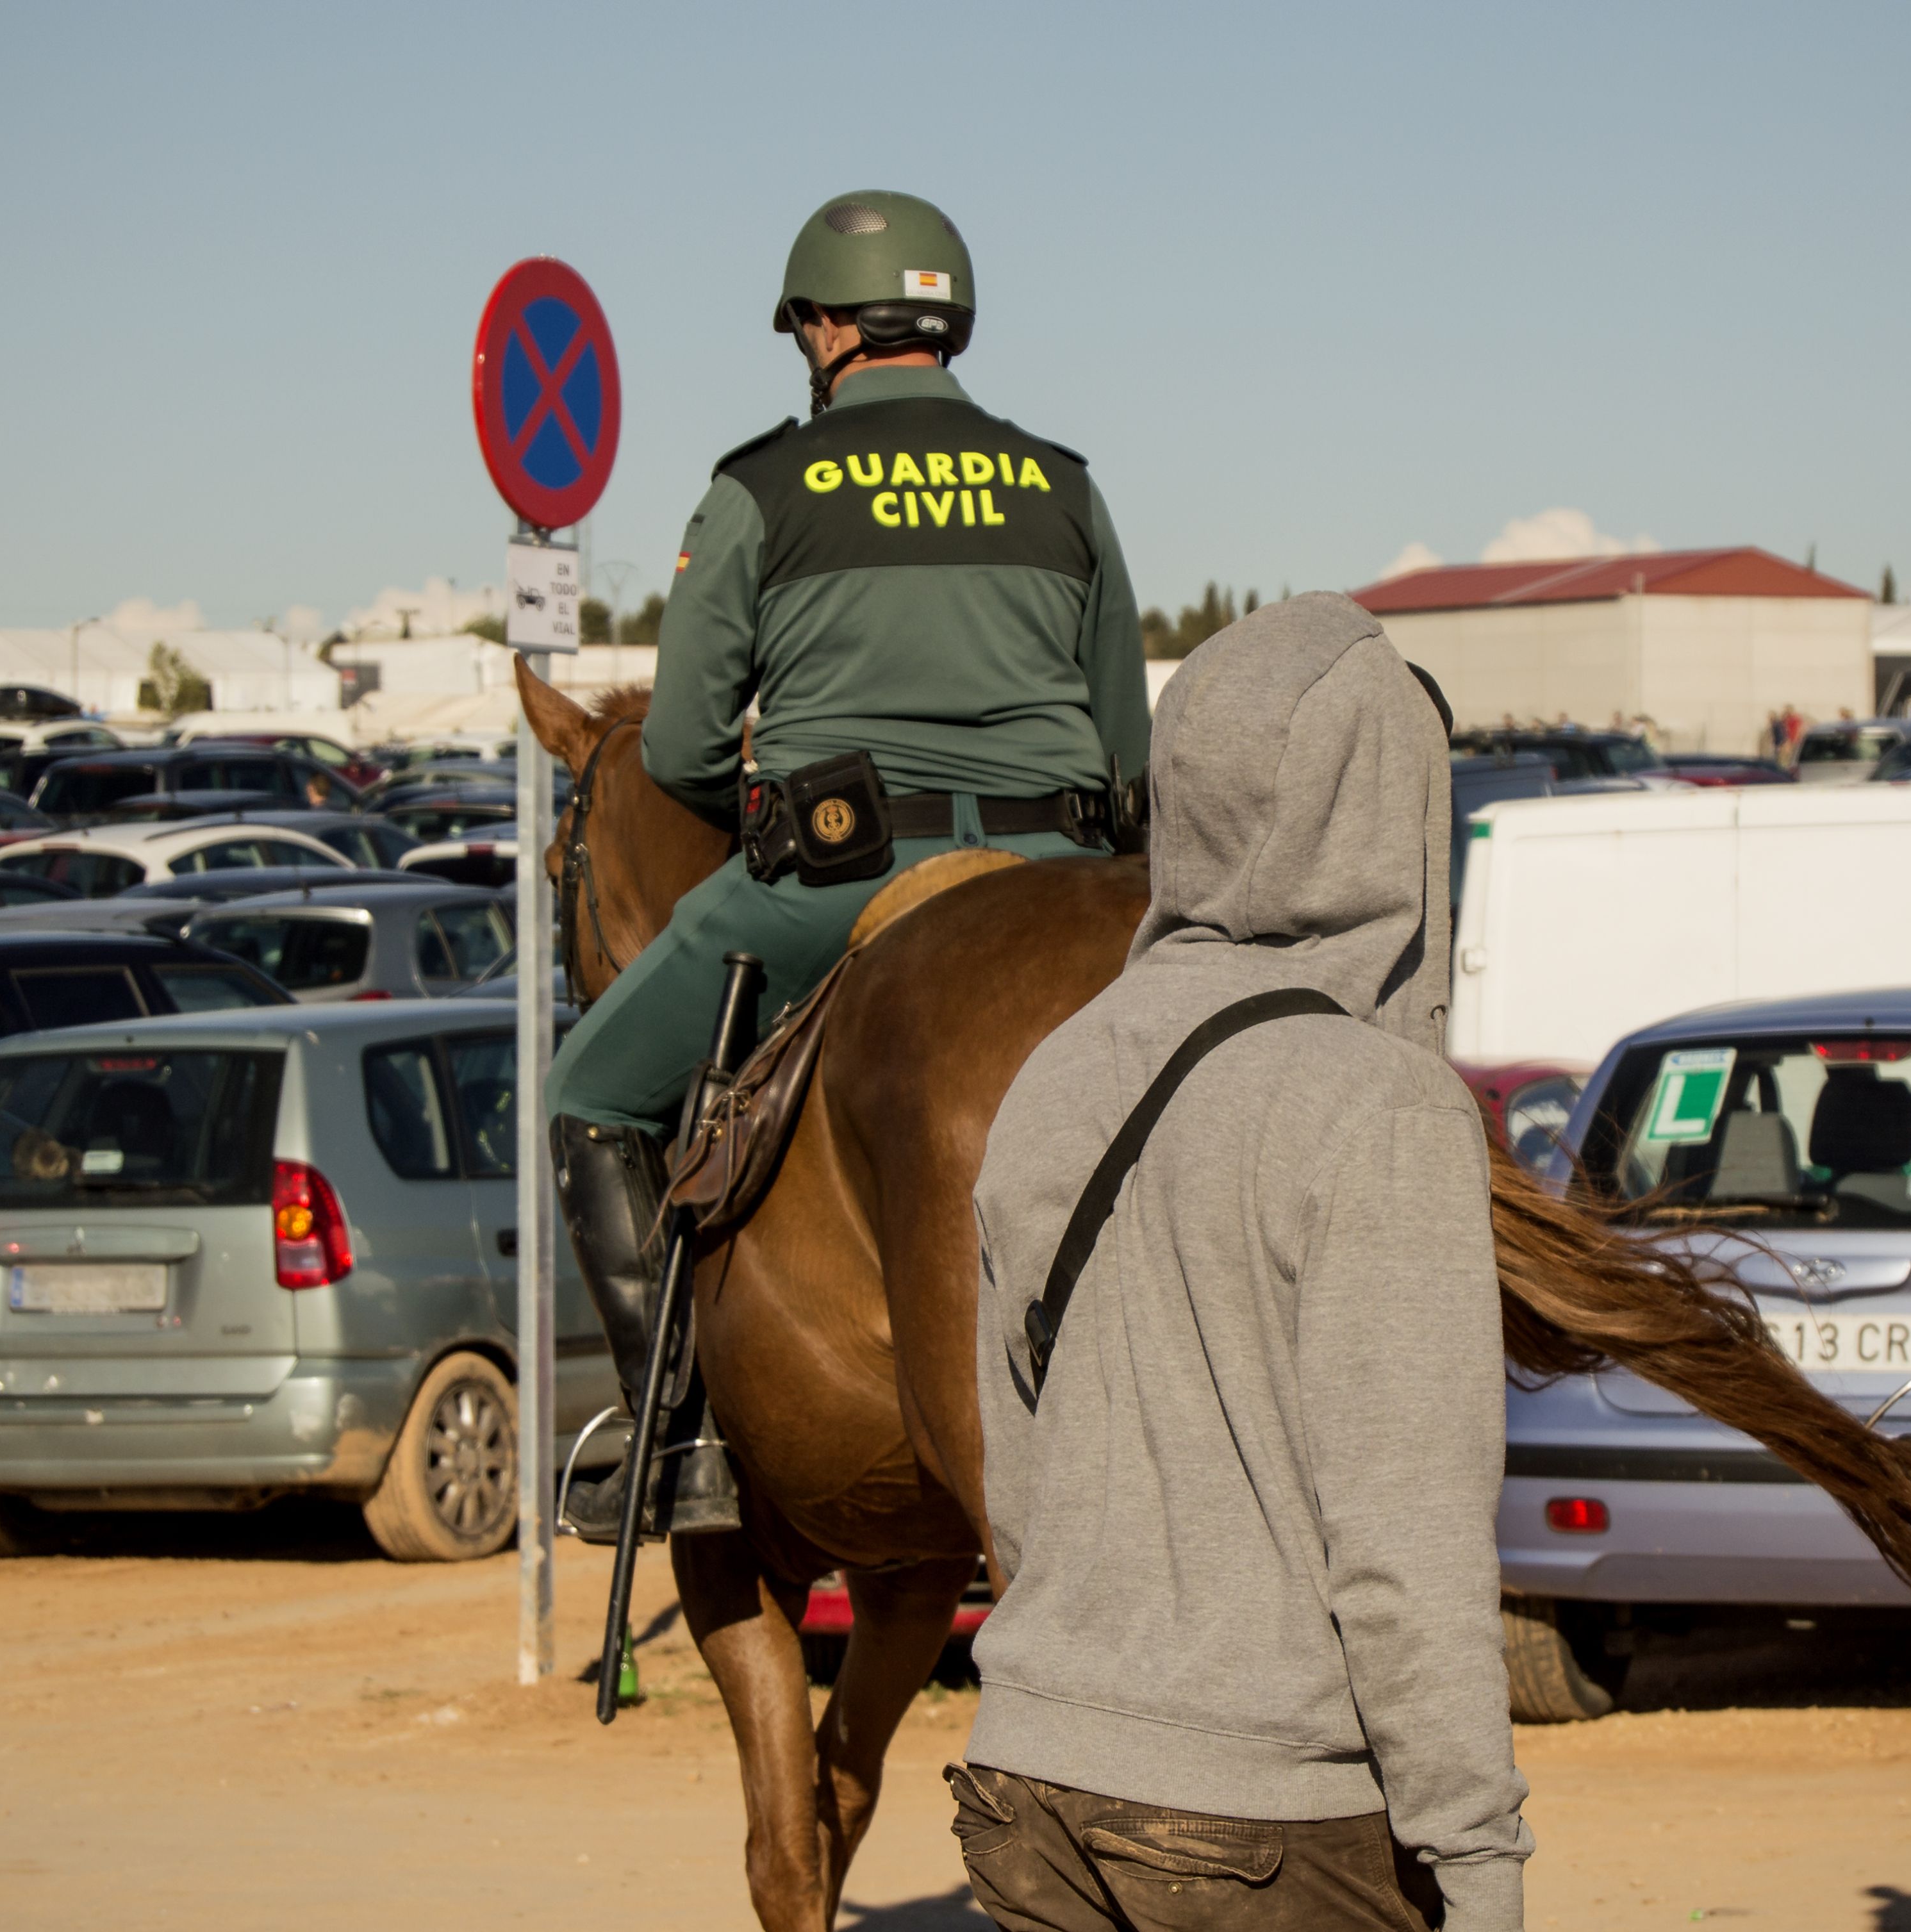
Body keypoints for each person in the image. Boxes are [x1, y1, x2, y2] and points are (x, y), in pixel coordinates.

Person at [549, 190, 1150, 1537]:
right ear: (946, 327)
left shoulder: (760, 487)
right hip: (1069, 874)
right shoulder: (1063, 485)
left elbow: (689, 749)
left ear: (825, 330)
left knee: (585, 1087)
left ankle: (679, 1439)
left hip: (840, 879)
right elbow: (1129, 757)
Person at [959, 595, 1530, 1931]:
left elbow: (1018, 1478)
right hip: (1267, 1824)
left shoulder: (1059, 1066)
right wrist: (1481, 1859)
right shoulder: (1381, 1105)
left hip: (1031, 1780)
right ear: (1385, 811)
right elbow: (1408, 1544)